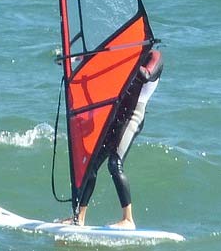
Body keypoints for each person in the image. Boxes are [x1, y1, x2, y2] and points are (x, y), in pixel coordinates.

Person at [62, 48, 163, 229]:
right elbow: (100, 57)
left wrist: (124, 61)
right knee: (90, 165)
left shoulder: (154, 57)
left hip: (133, 115)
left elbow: (146, 74)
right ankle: (79, 218)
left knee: (114, 162)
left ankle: (128, 219)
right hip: (117, 113)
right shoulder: (127, 54)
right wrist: (72, 59)